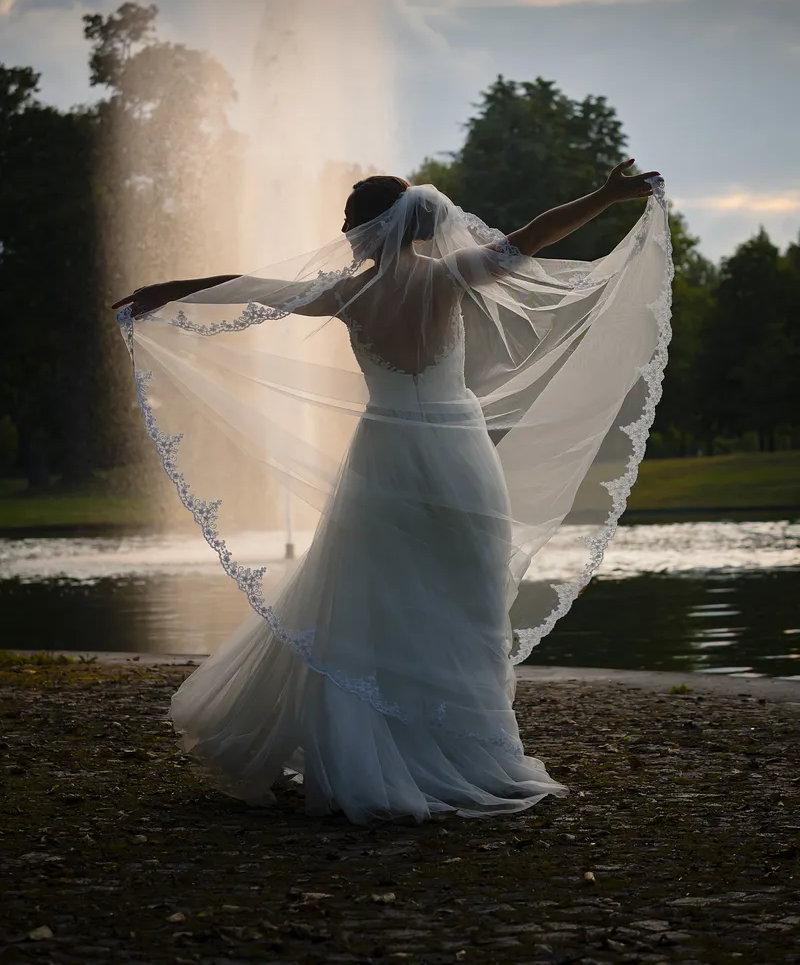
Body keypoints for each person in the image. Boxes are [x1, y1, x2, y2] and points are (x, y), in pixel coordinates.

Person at [114, 160, 668, 823]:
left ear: (369, 231)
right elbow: (535, 235)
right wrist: (607, 195)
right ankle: (462, 748)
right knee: (465, 594)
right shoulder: (452, 276)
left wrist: (165, 289)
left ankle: (382, 748)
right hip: (459, 453)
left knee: (371, 597)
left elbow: (249, 285)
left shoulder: (345, 296)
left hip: (386, 455)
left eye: (350, 225)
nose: (345, 236)